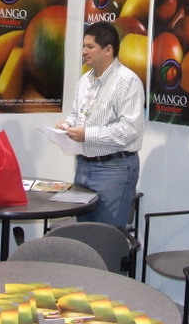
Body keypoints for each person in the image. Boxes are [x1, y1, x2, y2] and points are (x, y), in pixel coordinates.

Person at [56, 21, 145, 227]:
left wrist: (87, 134)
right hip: (83, 166)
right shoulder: (85, 80)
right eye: (83, 46)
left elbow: (130, 130)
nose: (84, 52)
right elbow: (77, 114)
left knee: (106, 235)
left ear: (108, 50)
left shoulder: (128, 81)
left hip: (114, 169)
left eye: (90, 46)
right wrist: (66, 124)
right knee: (83, 233)